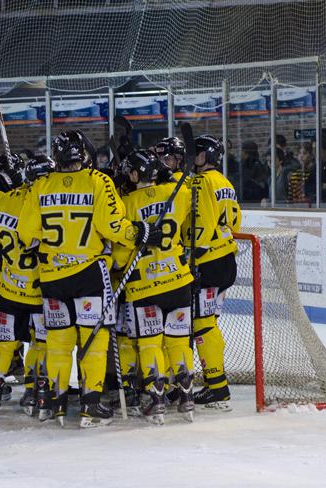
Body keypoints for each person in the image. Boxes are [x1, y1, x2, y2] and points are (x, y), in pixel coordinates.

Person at [16, 130, 160, 428]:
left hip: (53, 277)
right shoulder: (98, 181)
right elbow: (112, 227)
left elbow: (25, 234)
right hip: (90, 275)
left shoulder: (40, 185)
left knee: (57, 342)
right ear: (82, 153)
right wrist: (140, 232)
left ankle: (54, 404)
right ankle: (91, 405)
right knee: (94, 342)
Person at [112, 148, 195, 425]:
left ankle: (157, 400)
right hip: (179, 282)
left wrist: (115, 265)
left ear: (135, 175)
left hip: (145, 286)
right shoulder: (178, 194)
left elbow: (122, 253)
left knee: (149, 343)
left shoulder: (125, 204)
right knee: (178, 341)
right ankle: (186, 397)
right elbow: (182, 203)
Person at [0, 154, 43, 417]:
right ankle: (33, 391)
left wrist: (7, 193)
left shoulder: (7, 199)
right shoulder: (44, 204)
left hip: (7, 288)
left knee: (4, 343)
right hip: (38, 291)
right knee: (39, 343)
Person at [188, 135, 241, 412]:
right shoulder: (224, 181)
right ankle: (215, 384)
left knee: (202, 323)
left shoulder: (201, 182)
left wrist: (193, 253)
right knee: (207, 322)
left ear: (206, 155)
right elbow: (235, 220)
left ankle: (217, 387)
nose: (191, 155)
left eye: (195, 152)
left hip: (207, 261)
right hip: (226, 261)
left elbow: (202, 222)